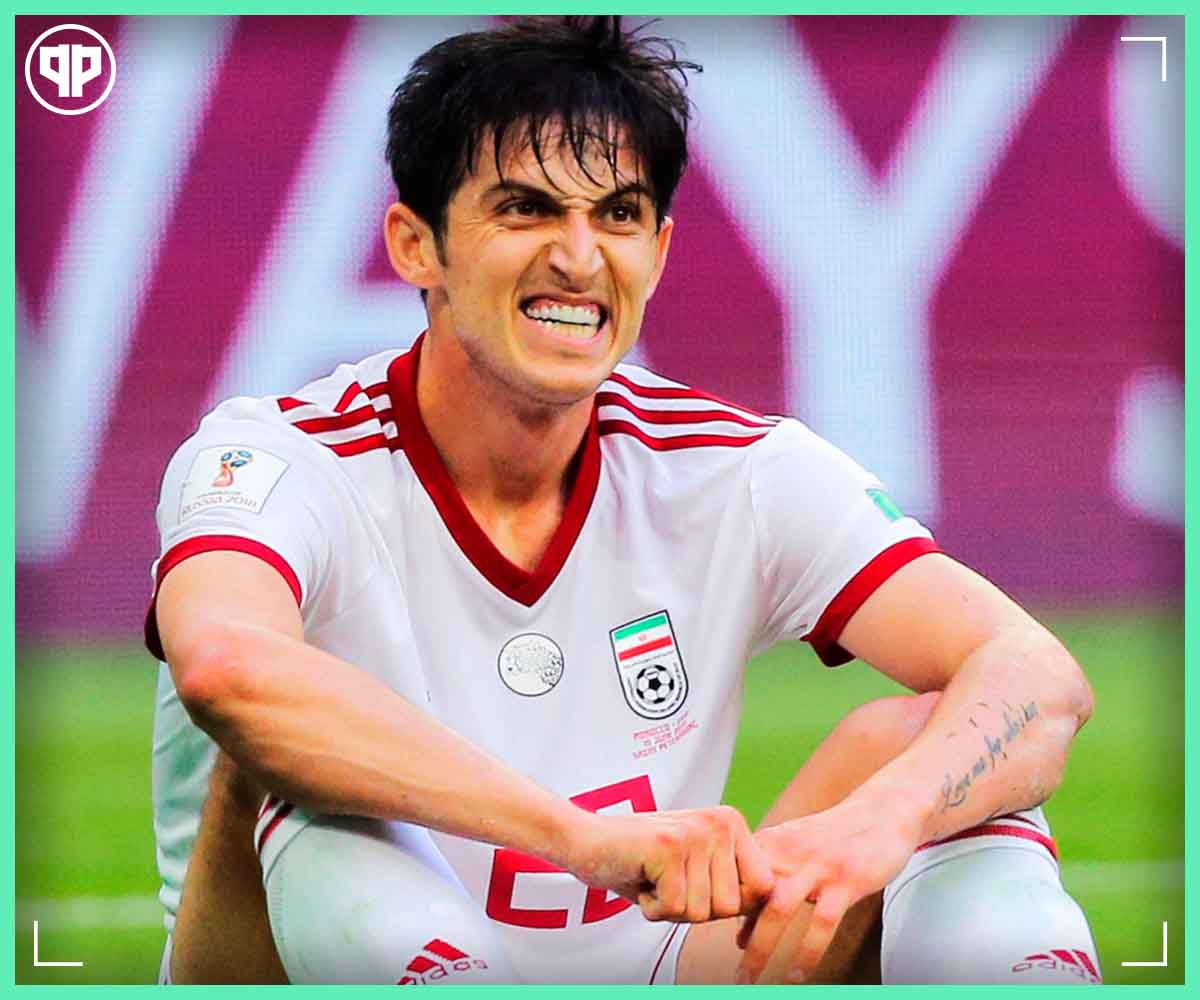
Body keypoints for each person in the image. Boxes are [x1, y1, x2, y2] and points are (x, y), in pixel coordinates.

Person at [148, 16, 1099, 985]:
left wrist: (885, 819)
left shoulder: (730, 468)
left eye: (617, 215)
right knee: (299, 782)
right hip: (296, 953)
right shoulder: (281, 459)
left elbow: (1037, 674)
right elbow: (227, 666)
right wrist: (577, 837)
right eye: (526, 209)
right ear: (415, 244)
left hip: (661, 968)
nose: (579, 257)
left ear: (659, 249)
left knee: (938, 759)